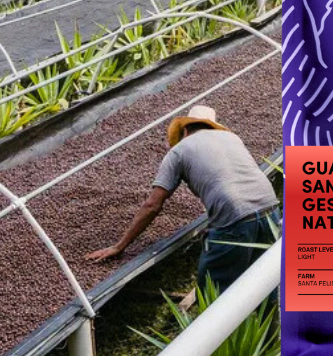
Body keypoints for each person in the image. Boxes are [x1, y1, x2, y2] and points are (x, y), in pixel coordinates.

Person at [86, 104, 280, 293]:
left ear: (185, 130)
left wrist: (119, 246)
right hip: (270, 205)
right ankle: (270, 315)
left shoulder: (179, 151)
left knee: (213, 288)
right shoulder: (232, 138)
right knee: (264, 279)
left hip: (234, 215)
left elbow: (153, 205)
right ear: (212, 126)